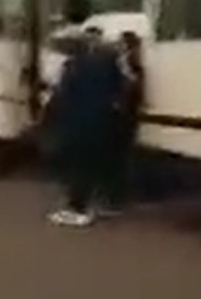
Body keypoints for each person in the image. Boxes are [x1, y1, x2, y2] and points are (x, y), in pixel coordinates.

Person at [45, 28, 125, 227]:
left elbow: (63, 95)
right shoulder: (109, 63)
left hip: (77, 121)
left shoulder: (73, 66)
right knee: (96, 163)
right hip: (102, 120)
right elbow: (119, 89)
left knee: (77, 165)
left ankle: (77, 208)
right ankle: (100, 204)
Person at [104, 31, 147, 213]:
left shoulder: (130, 67)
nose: (119, 48)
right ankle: (116, 197)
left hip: (124, 117)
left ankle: (117, 199)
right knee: (119, 158)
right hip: (123, 116)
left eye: (122, 45)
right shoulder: (126, 65)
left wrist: (124, 72)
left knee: (118, 159)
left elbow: (133, 88)